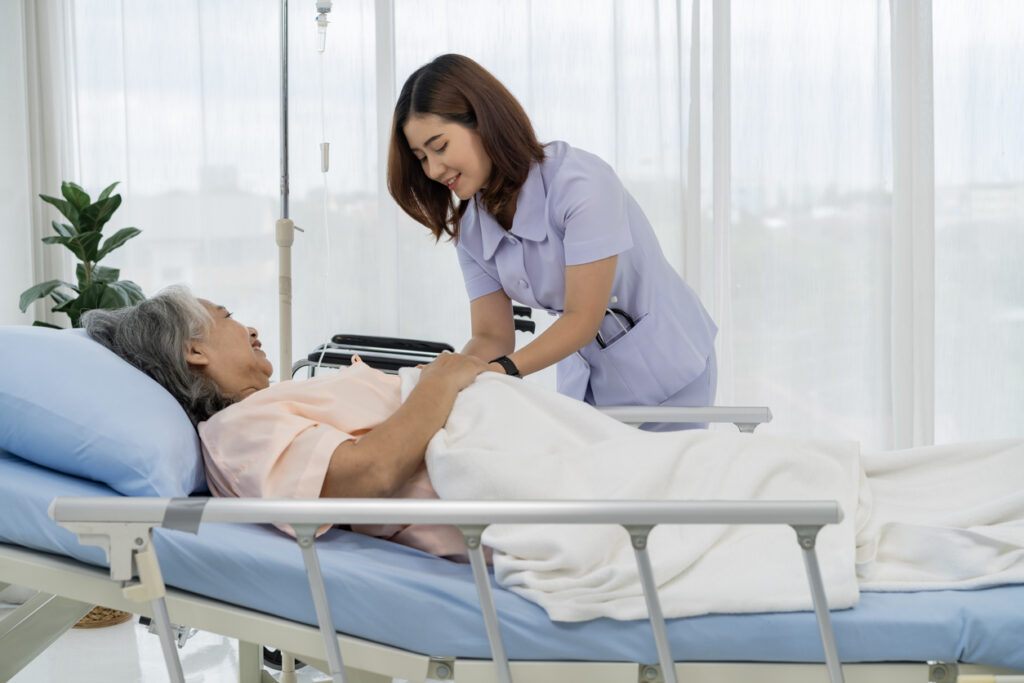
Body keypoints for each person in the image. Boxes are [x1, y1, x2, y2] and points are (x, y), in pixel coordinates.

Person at [387, 54, 718, 430]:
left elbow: (582, 316)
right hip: (587, 375)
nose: (433, 169)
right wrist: (449, 379)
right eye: (421, 158)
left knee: (665, 482)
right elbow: (491, 335)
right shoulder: (471, 230)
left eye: (440, 146)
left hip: (669, 363)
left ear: (483, 121)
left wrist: (499, 372)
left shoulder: (581, 184)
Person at [83, 286, 485, 558]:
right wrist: (438, 381)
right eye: (228, 318)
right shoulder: (236, 429)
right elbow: (372, 473)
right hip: (482, 465)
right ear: (194, 350)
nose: (251, 329)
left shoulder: (267, 404)